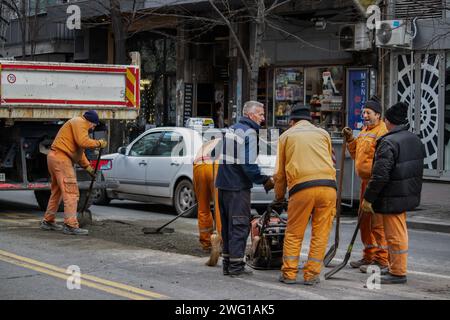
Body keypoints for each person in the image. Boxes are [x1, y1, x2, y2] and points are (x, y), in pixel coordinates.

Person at [362, 102, 425, 284]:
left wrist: (369, 198)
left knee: (395, 235)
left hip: (393, 196)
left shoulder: (388, 142)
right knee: (400, 232)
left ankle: (397, 272)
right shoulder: (414, 139)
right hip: (407, 193)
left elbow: (380, 175)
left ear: (388, 121)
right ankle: (395, 267)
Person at [274, 104, 337, 286]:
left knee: (294, 233)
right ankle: (311, 275)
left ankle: (289, 273)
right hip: (328, 188)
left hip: (302, 188)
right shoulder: (323, 134)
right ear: (309, 120)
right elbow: (330, 159)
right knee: (320, 233)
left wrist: (279, 198)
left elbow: (279, 174)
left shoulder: (286, 136)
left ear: (292, 121)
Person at [216, 101, 274, 277]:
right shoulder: (249, 133)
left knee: (227, 226)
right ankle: (236, 267)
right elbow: (248, 165)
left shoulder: (232, 129)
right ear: (250, 115)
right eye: (261, 114)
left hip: (224, 184)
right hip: (237, 187)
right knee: (239, 225)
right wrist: (264, 180)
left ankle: (228, 263)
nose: (263, 119)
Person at [39, 110, 107, 236]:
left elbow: (78, 153)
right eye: (94, 125)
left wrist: (89, 168)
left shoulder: (77, 125)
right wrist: (98, 143)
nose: (93, 127)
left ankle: (48, 221)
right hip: (61, 159)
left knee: (57, 192)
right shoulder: (80, 123)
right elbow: (84, 142)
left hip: (55, 157)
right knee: (71, 192)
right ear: (90, 121)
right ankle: (70, 225)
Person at [341, 96, 389, 273]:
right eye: (364, 113)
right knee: (364, 221)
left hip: (375, 183)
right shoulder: (365, 130)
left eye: (368, 113)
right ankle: (369, 256)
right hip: (364, 183)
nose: (365, 116)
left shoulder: (381, 132)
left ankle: (381, 259)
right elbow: (356, 155)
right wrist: (351, 140)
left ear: (378, 114)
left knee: (377, 223)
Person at [193, 138, 222, 251]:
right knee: (219, 207)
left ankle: (206, 243)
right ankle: (220, 241)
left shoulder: (208, 144)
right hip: (216, 166)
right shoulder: (232, 142)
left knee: (203, 207)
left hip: (199, 165)